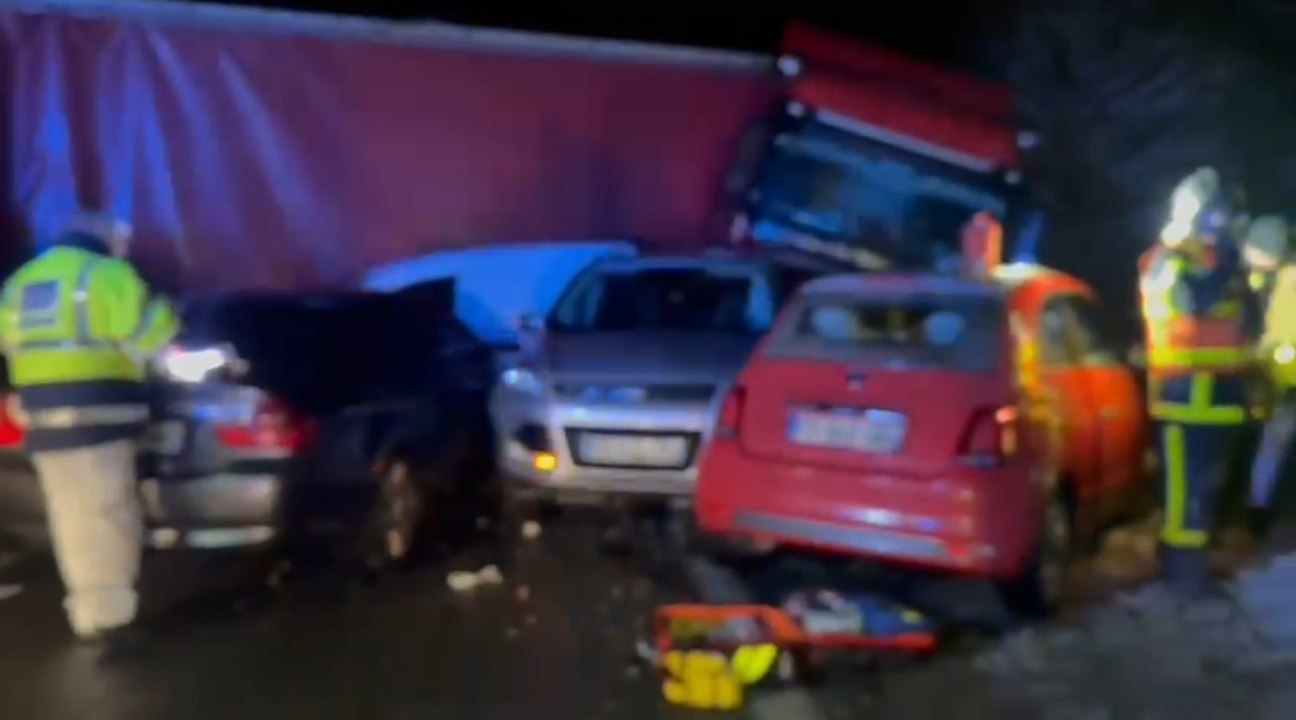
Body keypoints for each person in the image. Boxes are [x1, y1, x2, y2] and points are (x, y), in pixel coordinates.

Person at [0, 211, 179, 648]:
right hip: (98, 411)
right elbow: (150, 339)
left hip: (42, 415)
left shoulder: (22, 281)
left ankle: (88, 607)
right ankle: (107, 617)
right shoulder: (107, 274)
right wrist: (165, 313)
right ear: (109, 241)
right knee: (106, 511)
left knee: (71, 512)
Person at [1137, 167, 1260, 599]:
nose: (1225, 224)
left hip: (1216, 398)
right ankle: (1183, 576)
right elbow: (1196, 302)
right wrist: (1225, 264)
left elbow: (1242, 323)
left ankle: (1195, 568)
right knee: (1184, 494)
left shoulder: (1216, 262)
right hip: (1185, 397)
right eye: (1219, 215)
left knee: (1204, 490)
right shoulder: (1170, 260)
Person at [1244, 215, 1296, 535]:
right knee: (1273, 445)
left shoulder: (1289, 283)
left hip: (1287, 380)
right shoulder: (1275, 280)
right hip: (1283, 379)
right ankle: (1259, 509)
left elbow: (1280, 336)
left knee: (1273, 445)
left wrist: (1258, 356)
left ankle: (1259, 512)